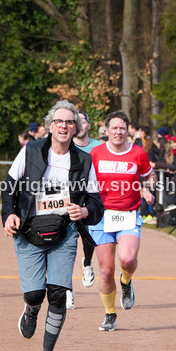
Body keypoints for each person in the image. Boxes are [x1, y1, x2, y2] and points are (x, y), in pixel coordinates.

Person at [1, 101, 103, 351]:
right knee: (35, 293)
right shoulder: (31, 151)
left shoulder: (84, 160)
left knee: (57, 294)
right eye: (59, 121)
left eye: (70, 122)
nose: (64, 126)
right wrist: (9, 215)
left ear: (76, 128)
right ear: (50, 125)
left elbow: (96, 205)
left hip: (64, 232)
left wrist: (83, 211)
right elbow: (8, 187)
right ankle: (31, 309)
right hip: (29, 231)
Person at [88, 111, 156, 331]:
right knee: (106, 270)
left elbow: (150, 176)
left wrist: (146, 188)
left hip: (128, 214)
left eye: (122, 128)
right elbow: (84, 181)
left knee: (127, 259)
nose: (118, 132)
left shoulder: (138, 153)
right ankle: (110, 314)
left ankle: (126, 280)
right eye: (114, 128)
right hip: (101, 216)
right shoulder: (95, 153)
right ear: (106, 130)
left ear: (128, 131)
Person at [70, 109, 103, 308]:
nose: (81, 125)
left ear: (89, 125)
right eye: (77, 121)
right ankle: (66, 291)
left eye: (84, 121)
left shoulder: (99, 147)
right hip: (71, 200)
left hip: (92, 201)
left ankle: (87, 262)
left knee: (89, 239)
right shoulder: (66, 147)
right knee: (67, 245)